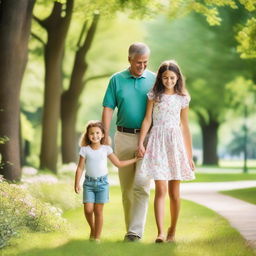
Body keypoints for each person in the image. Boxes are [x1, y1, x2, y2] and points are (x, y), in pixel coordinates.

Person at [102, 42, 156, 241]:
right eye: (138, 62)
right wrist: (104, 135)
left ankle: (135, 231)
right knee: (126, 189)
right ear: (129, 59)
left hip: (147, 138)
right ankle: (130, 230)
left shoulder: (154, 80)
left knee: (141, 185)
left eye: (145, 62)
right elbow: (108, 108)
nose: (142, 66)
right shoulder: (116, 80)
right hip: (123, 137)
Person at [138, 60, 195, 243]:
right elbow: (147, 120)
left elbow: (185, 127)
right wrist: (141, 143)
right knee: (160, 189)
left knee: (175, 193)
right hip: (157, 143)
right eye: (165, 77)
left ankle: (172, 229)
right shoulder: (154, 96)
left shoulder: (183, 98)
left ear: (177, 78)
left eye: (172, 77)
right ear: (160, 78)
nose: (168, 81)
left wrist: (189, 155)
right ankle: (160, 232)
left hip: (175, 144)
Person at [74, 121, 140, 242]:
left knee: (98, 211)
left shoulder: (106, 149)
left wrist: (135, 160)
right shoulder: (85, 150)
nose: (95, 136)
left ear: (103, 134)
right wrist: (77, 183)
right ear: (87, 135)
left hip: (102, 184)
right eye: (92, 133)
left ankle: (96, 238)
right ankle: (93, 229)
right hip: (88, 184)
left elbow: (118, 164)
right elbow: (80, 168)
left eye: (98, 133)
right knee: (88, 210)